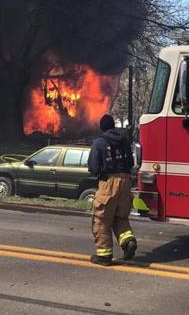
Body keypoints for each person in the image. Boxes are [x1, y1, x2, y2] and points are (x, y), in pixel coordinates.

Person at [87, 113, 136, 266]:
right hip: (126, 182)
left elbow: (93, 168)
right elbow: (130, 162)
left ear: (102, 127)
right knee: (120, 217)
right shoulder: (124, 141)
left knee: (102, 219)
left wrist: (99, 172)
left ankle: (104, 255)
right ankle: (128, 241)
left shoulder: (99, 143)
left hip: (109, 183)